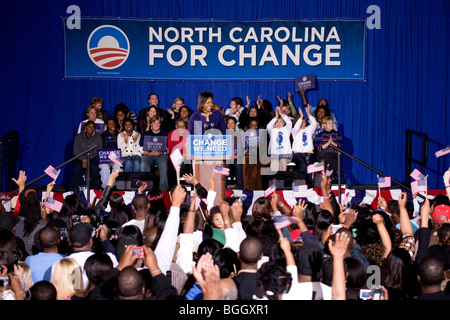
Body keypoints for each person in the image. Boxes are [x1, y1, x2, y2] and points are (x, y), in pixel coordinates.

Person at [68, 222, 118, 289]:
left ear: (70, 243)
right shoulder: (106, 259)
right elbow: (113, 256)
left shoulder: (60, 264)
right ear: (90, 241)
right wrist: (104, 240)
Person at [12, 171, 49, 255]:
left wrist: (21, 186)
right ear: (37, 203)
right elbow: (24, 201)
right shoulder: (44, 226)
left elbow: (23, 201)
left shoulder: (14, 223)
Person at [71, 120, 103, 190]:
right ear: (85, 127)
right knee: (77, 168)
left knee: (94, 168)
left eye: (92, 127)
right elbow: (76, 150)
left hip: (93, 157)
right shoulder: (78, 137)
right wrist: (83, 159)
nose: (91, 129)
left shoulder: (98, 136)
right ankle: (74, 189)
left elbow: (99, 149)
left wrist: (88, 159)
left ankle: (95, 189)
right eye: (89, 127)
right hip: (80, 158)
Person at [141, 116, 170, 191]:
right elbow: (141, 149)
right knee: (144, 162)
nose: (156, 125)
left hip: (161, 155)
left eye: (158, 123)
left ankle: (163, 188)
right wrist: (150, 154)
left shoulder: (165, 133)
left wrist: (160, 152)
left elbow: (168, 149)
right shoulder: (146, 134)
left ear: (160, 124)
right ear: (151, 124)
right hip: (149, 155)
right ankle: (145, 187)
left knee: (164, 163)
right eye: (154, 123)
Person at [291, 103, 317, 186]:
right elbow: (296, 127)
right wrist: (301, 117)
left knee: (309, 165)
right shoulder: (295, 131)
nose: (303, 123)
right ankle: (304, 184)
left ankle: (308, 185)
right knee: (302, 164)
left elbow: (314, 124)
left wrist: (309, 115)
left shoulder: (309, 129)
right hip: (297, 154)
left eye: (304, 121)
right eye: (301, 122)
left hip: (309, 153)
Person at [267, 106, 293, 173]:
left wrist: (281, 114)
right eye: (277, 122)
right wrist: (275, 117)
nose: (278, 123)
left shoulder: (286, 130)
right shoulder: (272, 130)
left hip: (285, 155)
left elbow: (289, 123)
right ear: (274, 124)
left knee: (282, 161)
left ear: (284, 123)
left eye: (280, 122)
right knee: (274, 161)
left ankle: (281, 179)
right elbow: (268, 126)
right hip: (275, 155)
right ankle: (274, 180)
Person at [99, 118, 122, 189]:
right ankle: (106, 187)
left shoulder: (119, 134)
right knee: (104, 168)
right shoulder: (103, 135)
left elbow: (121, 149)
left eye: (113, 123)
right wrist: (109, 160)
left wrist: (114, 160)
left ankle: (115, 186)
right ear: (107, 125)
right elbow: (101, 149)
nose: (112, 125)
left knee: (118, 167)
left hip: (117, 158)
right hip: (105, 158)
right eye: (110, 124)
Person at [225, 116, 244, 190]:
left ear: (236, 124)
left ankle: (239, 188)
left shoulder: (239, 133)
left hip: (236, 156)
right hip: (227, 157)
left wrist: (237, 155)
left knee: (238, 166)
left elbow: (241, 146)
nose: (230, 125)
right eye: (228, 123)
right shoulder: (224, 134)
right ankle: (225, 187)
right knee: (226, 166)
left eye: (232, 123)